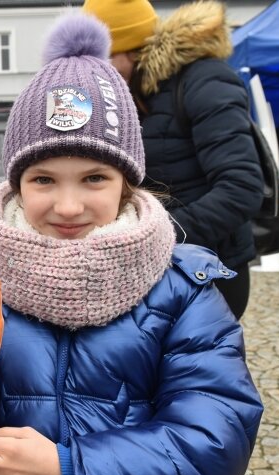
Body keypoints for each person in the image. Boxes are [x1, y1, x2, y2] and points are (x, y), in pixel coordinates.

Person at [0, 14, 263, 475]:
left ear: (126, 183)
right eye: (43, 179)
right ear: (16, 183)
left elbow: (217, 443)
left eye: (93, 178)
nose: (67, 206)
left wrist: (68, 468)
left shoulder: (182, 289)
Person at [83, 0, 265, 322]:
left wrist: (155, 234)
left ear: (134, 51)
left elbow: (241, 188)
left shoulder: (204, 80)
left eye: (103, 58)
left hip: (207, 271)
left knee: (197, 369)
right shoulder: (123, 94)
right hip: (150, 270)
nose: (96, 71)